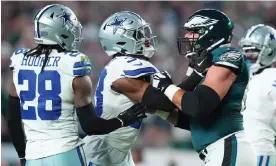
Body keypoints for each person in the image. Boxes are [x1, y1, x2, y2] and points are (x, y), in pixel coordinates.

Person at [6, 4, 147, 166]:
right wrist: (123, 119)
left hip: (33, 157)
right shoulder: (73, 64)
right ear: (60, 31)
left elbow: (13, 120)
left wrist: (23, 156)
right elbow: (90, 126)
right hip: (66, 154)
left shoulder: (19, 62)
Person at [152, 9, 256, 166]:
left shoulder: (227, 55)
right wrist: (159, 110)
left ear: (211, 34)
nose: (187, 36)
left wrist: (166, 87)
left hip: (227, 146)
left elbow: (197, 106)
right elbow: (197, 120)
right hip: (222, 149)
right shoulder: (210, 63)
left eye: (193, 31)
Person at [83, 11, 176, 166]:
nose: (146, 39)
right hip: (100, 155)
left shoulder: (119, 65)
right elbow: (166, 102)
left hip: (117, 154)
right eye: (140, 35)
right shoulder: (123, 65)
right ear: (121, 41)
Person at [240, 24, 276, 166]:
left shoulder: (272, 77)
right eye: (246, 52)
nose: (247, 57)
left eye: (252, 53)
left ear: (268, 53)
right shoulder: (247, 79)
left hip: (261, 154)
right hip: (242, 153)